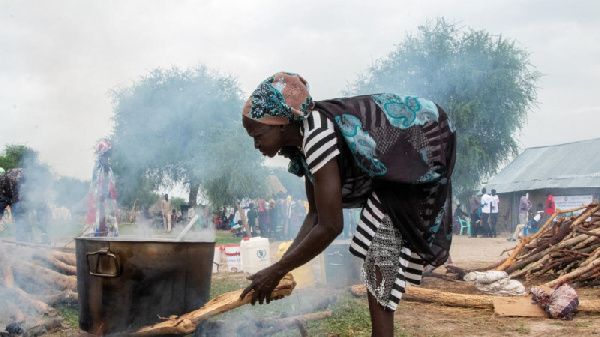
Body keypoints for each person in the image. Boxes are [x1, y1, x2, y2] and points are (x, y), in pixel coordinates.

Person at [239, 72, 456, 336]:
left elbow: (331, 226)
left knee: (378, 259)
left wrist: (277, 270)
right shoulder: (304, 143)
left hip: (417, 159)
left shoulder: (318, 135)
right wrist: (281, 267)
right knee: (376, 259)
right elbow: (316, 215)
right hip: (397, 174)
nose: (256, 144)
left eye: (258, 134)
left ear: (281, 123)